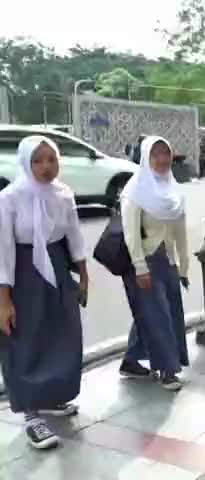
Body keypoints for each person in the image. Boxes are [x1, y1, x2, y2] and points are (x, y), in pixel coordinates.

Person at [0, 136, 88, 449]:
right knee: (26, 339)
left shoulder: (63, 194)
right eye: (38, 160)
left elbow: (75, 235)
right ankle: (31, 414)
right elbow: (4, 251)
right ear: (26, 162)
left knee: (63, 333)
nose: (46, 167)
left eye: (51, 159)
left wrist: (84, 275)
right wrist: (4, 299)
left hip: (57, 269)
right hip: (22, 273)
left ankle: (52, 395)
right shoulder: (10, 198)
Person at [119, 136, 190, 391]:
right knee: (158, 315)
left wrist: (183, 266)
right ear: (145, 158)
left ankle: (130, 361)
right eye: (155, 155)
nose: (161, 159)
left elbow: (180, 231)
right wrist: (140, 267)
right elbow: (131, 234)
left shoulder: (173, 190)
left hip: (167, 261)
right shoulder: (135, 191)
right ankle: (167, 370)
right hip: (145, 262)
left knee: (161, 313)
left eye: (165, 153)